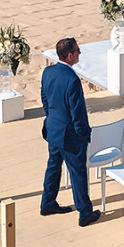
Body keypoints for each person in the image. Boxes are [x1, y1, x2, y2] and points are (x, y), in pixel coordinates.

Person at [40, 38, 101, 227]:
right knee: (77, 172)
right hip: (69, 135)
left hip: (53, 129)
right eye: (77, 51)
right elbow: (78, 113)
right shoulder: (72, 80)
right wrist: (84, 135)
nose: (79, 54)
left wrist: (52, 119)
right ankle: (85, 212)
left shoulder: (48, 71)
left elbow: (45, 100)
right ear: (69, 55)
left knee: (53, 166)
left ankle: (47, 203)